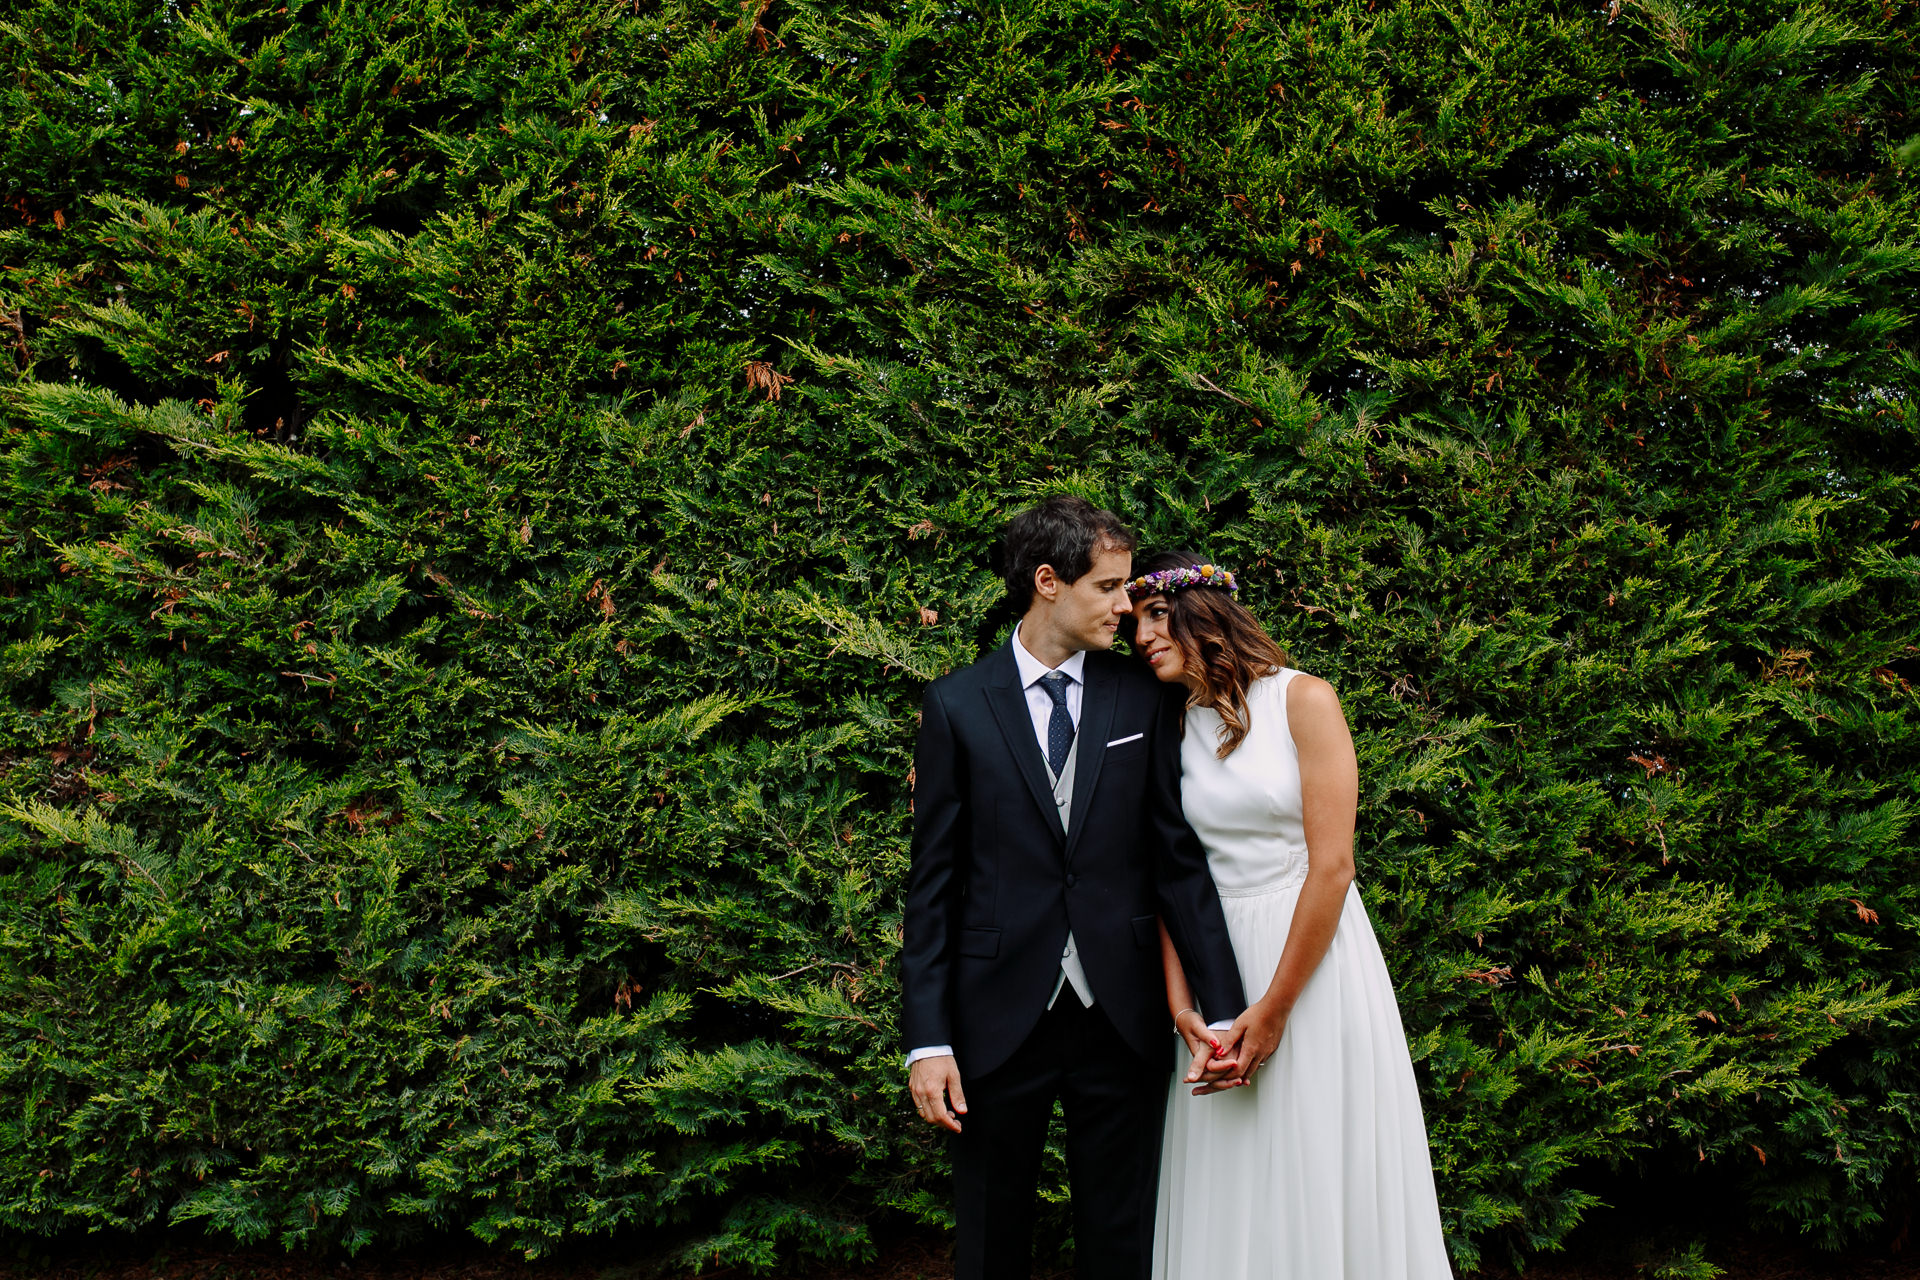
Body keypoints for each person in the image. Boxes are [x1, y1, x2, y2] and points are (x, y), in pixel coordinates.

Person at [901, 498, 1248, 1280]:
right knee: (990, 1243)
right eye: (1111, 588)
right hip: (993, 1020)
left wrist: (1222, 1007)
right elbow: (933, 886)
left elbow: (1176, 861)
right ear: (1048, 582)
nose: (1129, 607)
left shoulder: (1141, 697)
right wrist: (929, 1040)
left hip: (1120, 1017)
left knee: (1122, 1243)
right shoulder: (956, 705)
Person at [1129, 550, 1453, 1280]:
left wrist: (1273, 1009)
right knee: (1234, 1162)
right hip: (1219, 962)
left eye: (1155, 615)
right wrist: (1184, 1005)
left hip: (1312, 957)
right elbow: (1175, 872)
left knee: (1314, 1147)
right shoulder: (1174, 726)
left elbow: (1333, 866)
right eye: (1135, 623)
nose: (1142, 635)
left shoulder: (1303, 699)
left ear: (1201, 611)